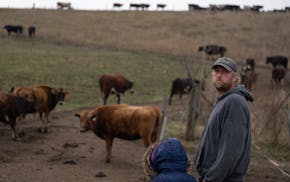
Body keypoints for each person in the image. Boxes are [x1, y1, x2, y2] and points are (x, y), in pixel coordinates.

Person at [194, 57, 254, 182]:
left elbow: (231, 152)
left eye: (225, 72)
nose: (219, 75)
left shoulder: (234, 102)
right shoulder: (224, 101)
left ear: (235, 77)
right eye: (216, 71)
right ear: (212, 75)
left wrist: (210, 179)